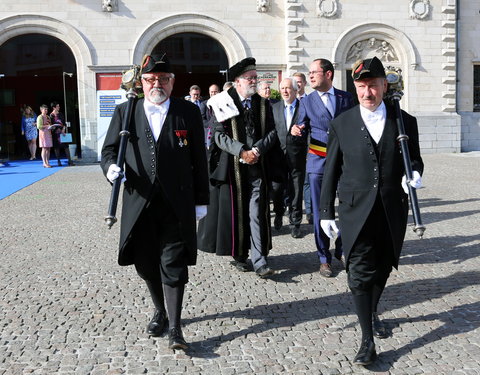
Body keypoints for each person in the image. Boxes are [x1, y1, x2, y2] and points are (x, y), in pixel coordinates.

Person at [319, 57, 424, 366]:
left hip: (391, 208)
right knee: (359, 272)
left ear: (384, 86)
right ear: (355, 87)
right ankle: (367, 339)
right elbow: (331, 170)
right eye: (362, 87)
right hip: (354, 210)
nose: (368, 93)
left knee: (382, 267)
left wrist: (415, 173)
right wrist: (325, 211)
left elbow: (413, 159)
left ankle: (373, 310)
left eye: (373, 86)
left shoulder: (404, 121)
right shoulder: (342, 123)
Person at [101, 53, 209, 350]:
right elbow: (109, 150)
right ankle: (159, 310)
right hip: (139, 201)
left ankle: (176, 328)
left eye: (162, 79)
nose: (156, 84)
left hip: (177, 201)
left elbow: (200, 158)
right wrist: (110, 168)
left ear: (172, 83)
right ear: (142, 82)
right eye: (150, 80)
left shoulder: (188, 111)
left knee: (173, 263)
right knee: (146, 262)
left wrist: (202, 200)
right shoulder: (126, 110)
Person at [197, 57, 281, 278]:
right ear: (237, 81)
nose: (254, 81)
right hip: (233, 170)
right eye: (249, 78)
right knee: (237, 214)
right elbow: (218, 135)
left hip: (257, 167)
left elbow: (273, 132)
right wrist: (241, 150)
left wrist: (257, 150)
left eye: (255, 77)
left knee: (256, 212)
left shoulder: (263, 104)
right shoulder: (222, 103)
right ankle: (240, 254)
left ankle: (259, 259)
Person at [292, 58, 354, 277]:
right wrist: (296, 131)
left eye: (314, 72)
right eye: (309, 73)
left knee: (348, 207)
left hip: (345, 164)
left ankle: (343, 249)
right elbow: (300, 125)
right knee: (320, 211)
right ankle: (323, 257)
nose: (310, 77)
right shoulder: (307, 101)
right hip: (318, 162)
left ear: (328, 74)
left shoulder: (346, 98)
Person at [271, 77, 308, 238]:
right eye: (283, 88)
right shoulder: (275, 107)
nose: (285, 91)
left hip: (297, 155)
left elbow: (310, 128)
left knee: (296, 190)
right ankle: (279, 213)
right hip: (278, 156)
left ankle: (295, 222)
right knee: (277, 189)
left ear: (295, 90)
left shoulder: (304, 108)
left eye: (288, 88)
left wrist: (303, 132)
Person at [293, 72, 311, 224]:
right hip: (293, 149)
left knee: (307, 180)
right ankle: (291, 208)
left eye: (299, 82)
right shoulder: (287, 102)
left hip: (309, 146)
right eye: (295, 82)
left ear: (304, 83)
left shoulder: (311, 101)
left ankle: (310, 211)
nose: (297, 85)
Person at [50, 102, 74, 166]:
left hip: (62, 133)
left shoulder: (60, 114)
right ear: (54, 107)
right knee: (56, 147)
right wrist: (56, 129)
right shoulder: (51, 115)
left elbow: (64, 123)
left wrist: (63, 129)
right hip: (55, 133)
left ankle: (70, 161)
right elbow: (51, 125)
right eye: (57, 106)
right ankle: (58, 161)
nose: (59, 107)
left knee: (66, 147)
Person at [200, 84, 220, 148]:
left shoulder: (223, 103)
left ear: (219, 92)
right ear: (209, 92)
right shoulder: (204, 104)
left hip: (220, 135)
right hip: (208, 136)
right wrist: (212, 125)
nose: (213, 93)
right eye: (211, 92)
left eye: (215, 91)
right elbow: (201, 119)